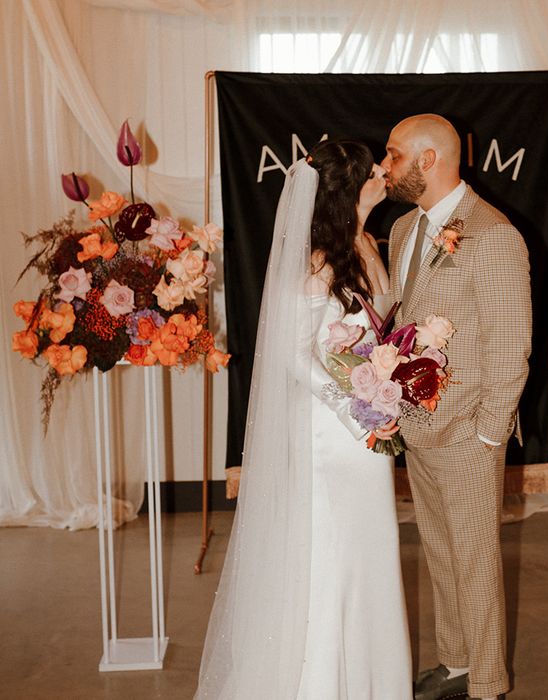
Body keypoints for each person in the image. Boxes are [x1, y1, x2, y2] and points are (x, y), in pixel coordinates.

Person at [195, 140, 411, 699]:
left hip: (369, 426)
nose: (386, 172)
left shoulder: (367, 243)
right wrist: (355, 410)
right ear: (349, 187)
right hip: (335, 435)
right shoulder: (319, 260)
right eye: (374, 169)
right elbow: (293, 354)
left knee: (369, 558)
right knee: (335, 560)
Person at [382, 114, 532, 700]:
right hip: (419, 425)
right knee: (441, 553)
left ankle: (488, 684)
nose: (384, 166)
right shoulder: (402, 230)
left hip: (469, 433)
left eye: (394, 156)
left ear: (428, 161)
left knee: (475, 561)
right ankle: (457, 661)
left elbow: (510, 344)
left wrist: (489, 434)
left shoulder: (494, 234)